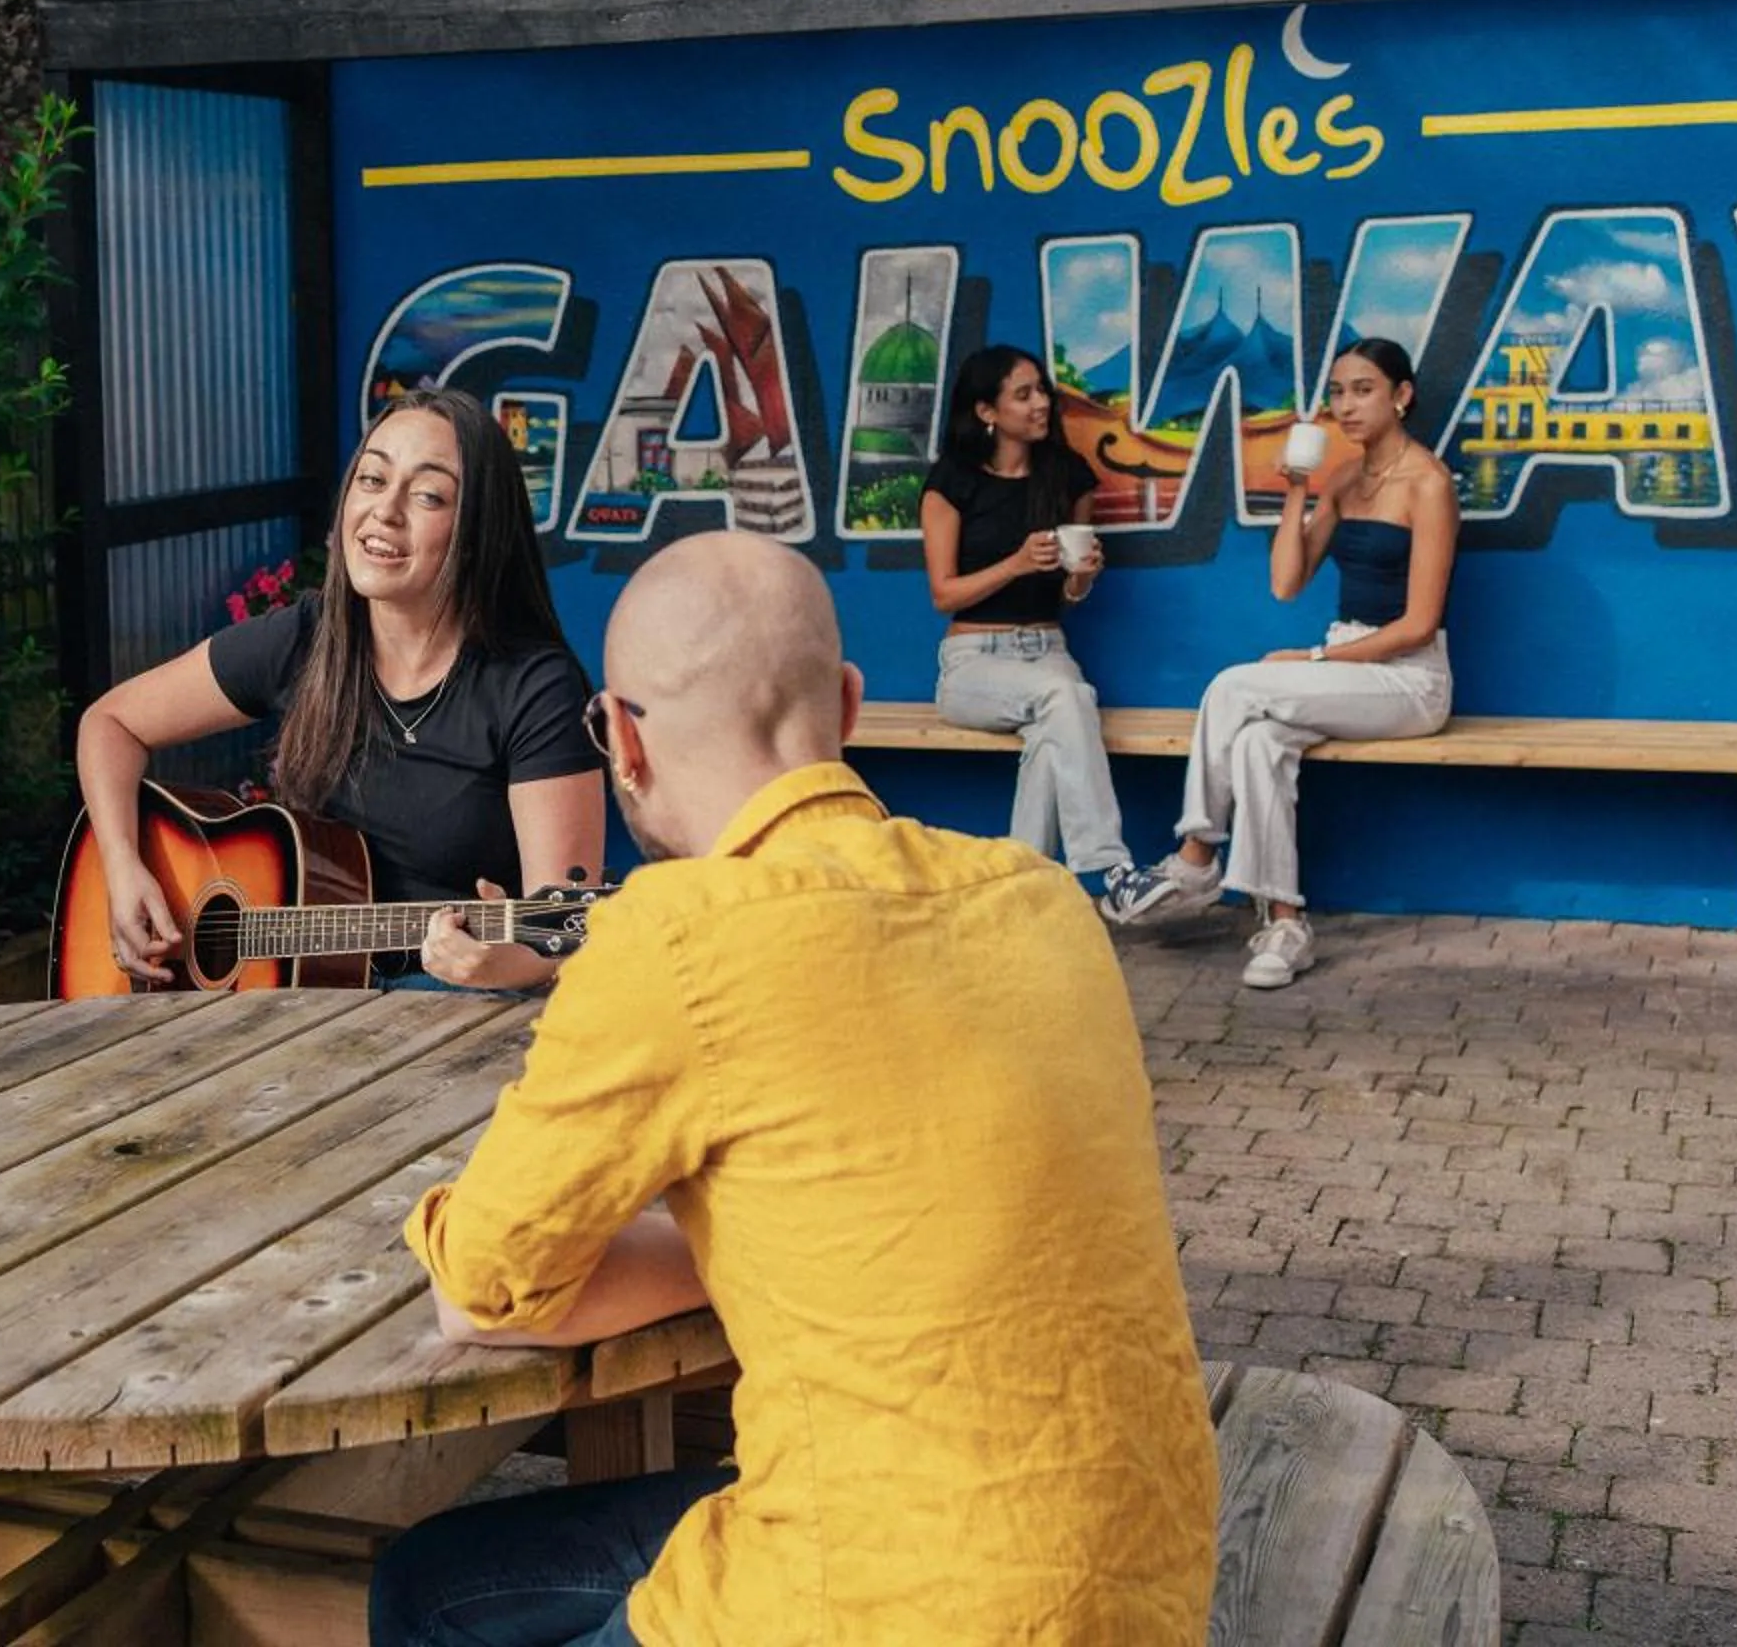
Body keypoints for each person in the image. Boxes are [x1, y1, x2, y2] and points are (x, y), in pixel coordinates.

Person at [370, 532, 1217, 1647]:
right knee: (449, 1575)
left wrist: (726, 1251)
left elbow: (483, 1291)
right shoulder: (1043, 899)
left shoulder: (670, 935)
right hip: (1144, 1577)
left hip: (878, 1599)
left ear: (621, 738)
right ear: (850, 706)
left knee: (419, 1593)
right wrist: (802, 1246)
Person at [75, 385, 605, 991]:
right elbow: (110, 724)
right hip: (302, 998)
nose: (385, 511)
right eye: (373, 480)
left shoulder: (536, 688)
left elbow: (565, 928)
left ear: (480, 530)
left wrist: (502, 963)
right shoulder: (306, 638)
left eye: (428, 494)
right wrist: (123, 868)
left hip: (452, 1012)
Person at [1102, 338, 1460, 987]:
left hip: (1408, 679)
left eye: (1364, 389)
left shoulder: (1428, 484)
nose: (1345, 405)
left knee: (1234, 686)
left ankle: (1195, 854)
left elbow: (1419, 623)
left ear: (1401, 396)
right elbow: (1287, 582)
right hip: (1346, 671)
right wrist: (1297, 488)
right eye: (1338, 391)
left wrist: (1317, 654)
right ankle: (1286, 925)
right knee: (1258, 743)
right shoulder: (1347, 479)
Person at [918, 343, 1149, 911]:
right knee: (1067, 698)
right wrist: (1016, 563)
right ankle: (1113, 870)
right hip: (973, 660)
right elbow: (943, 593)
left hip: (1049, 647)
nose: (1041, 403)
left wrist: (1082, 577)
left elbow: (1069, 596)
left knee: (1057, 722)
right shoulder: (952, 481)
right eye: (1023, 394)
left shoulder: (1067, 476)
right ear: (986, 412)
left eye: (1041, 390)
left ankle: (1018, 897)